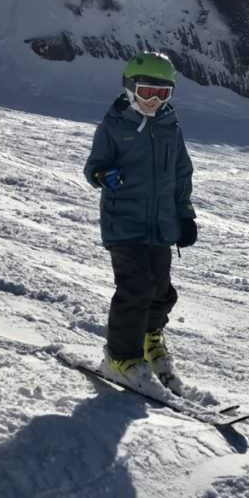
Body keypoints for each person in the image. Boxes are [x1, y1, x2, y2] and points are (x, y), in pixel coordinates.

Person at [83, 52, 197, 396]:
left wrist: (185, 215)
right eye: (147, 92)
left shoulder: (170, 127)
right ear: (131, 88)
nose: (154, 101)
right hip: (124, 223)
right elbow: (94, 166)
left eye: (163, 95)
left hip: (161, 226)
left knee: (161, 291)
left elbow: (181, 175)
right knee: (136, 290)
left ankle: (150, 340)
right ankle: (120, 358)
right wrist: (104, 175)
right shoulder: (114, 126)